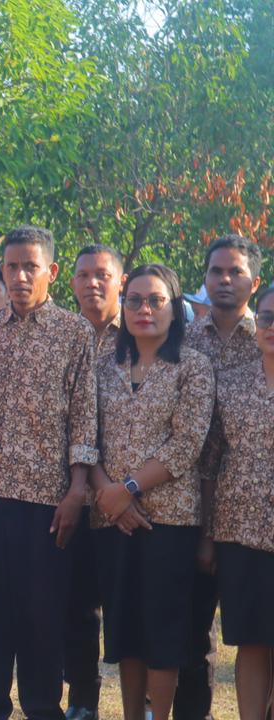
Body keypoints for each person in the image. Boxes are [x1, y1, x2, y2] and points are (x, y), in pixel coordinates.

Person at [0, 226, 97, 720]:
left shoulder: (74, 333)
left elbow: (84, 416)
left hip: (47, 500)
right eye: (12, 266)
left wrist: (77, 489)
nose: (19, 276)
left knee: (42, 616)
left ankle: (41, 708)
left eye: (30, 267)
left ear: (51, 272)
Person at [91, 264, 214, 720]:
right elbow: (86, 436)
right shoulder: (104, 366)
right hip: (111, 518)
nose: (144, 309)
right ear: (123, 308)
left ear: (174, 308)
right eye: (135, 300)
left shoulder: (194, 367)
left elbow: (187, 444)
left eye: (156, 300)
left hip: (170, 520)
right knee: (125, 632)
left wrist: (128, 488)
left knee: (163, 634)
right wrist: (109, 494)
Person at [179, 234, 263, 720]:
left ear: (255, 281)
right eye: (216, 271)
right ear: (205, 279)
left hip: (247, 516)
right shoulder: (184, 340)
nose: (225, 280)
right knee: (191, 629)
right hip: (181, 500)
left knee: (257, 634)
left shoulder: (267, 334)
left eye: (236, 272)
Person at [206, 285, 274, 719]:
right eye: (267, 318)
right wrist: (207, 536)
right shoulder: (230, 384)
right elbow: (211, 462)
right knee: (250, 641)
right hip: (239, 531)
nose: (272, 326)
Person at [65, 244, 126, 720]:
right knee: (77, 606)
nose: (92, 283)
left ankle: (150, 702)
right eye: (83, 275)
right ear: (71, 282)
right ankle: (83, 700)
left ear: (121, 280)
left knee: (135, 607)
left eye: (102, 274)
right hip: (75, 496)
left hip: (133, 499)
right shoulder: (63, 335)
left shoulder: (146, 331)